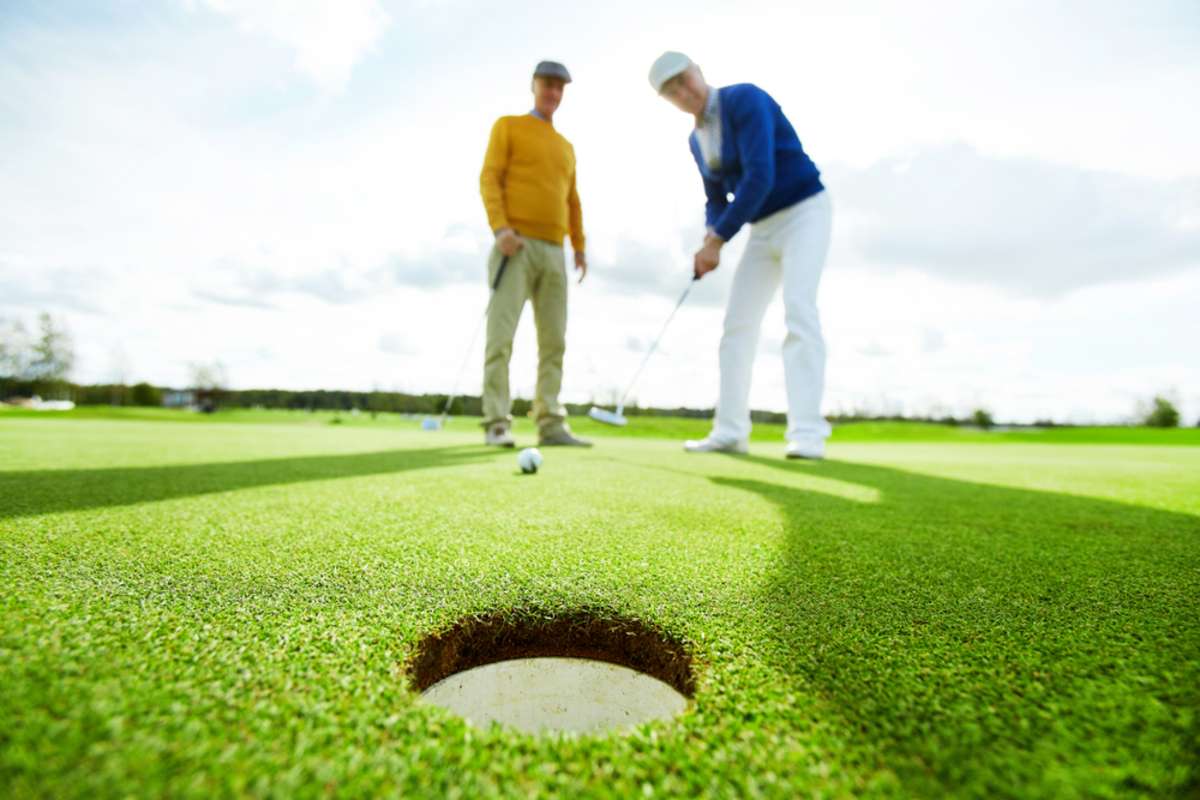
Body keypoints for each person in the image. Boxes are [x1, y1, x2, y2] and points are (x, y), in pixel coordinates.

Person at [648, 52, 833, 459]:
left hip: (805, 211)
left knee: (799, 310)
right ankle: (730, 431)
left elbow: (759, 174)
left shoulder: (744, 99)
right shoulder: (696, 140)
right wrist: (711, 231)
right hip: (762, 227)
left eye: (684, 79)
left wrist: (719, 240)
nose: (683, 91)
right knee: (737, 327)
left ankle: (807, 434)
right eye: (672, 91)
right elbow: (715, 198)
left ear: (699, 71)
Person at [479, 60, 591, 448]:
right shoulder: (508, 126)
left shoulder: (565, 147)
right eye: (548, 85)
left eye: (560, 88)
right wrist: (501, 228)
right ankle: (496, 421)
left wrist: (579, 245)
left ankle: (550, 423)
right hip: (516, 244)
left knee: (554, 340)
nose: (553, 93)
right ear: (534, 85)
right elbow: (490, 177)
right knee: (501, 336)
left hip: (555, 251)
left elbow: (572, 200)